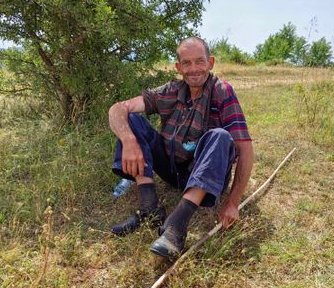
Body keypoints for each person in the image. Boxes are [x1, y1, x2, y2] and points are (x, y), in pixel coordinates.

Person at [108, 36, 254, 258]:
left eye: (199, 61)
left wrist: (233, 203)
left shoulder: (222, 91)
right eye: (186, 63)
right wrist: (128, 141)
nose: (193, 69)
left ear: (210, 62)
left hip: (206, 174)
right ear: (178, 67)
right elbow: (118, 108)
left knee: (221, 137)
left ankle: (177, 225)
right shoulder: (171, 90)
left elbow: (245, 149)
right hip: (173, 169)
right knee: (131, 120)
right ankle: (150, 208)